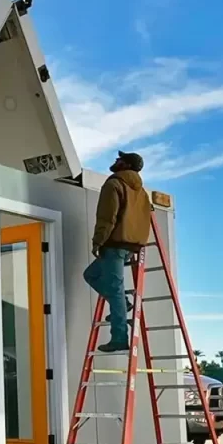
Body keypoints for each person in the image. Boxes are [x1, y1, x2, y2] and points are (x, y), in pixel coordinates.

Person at [84, 151, 152, 353]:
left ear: (126, 164)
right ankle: (123, 303)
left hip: (114, 245)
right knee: (91, 275)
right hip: (130, 247)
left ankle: (120, 338)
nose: (115, 161)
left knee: (114, 288)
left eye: (119, 159)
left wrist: (98, 241)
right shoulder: (141, 193)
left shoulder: (113, 184)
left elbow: (107, 217)